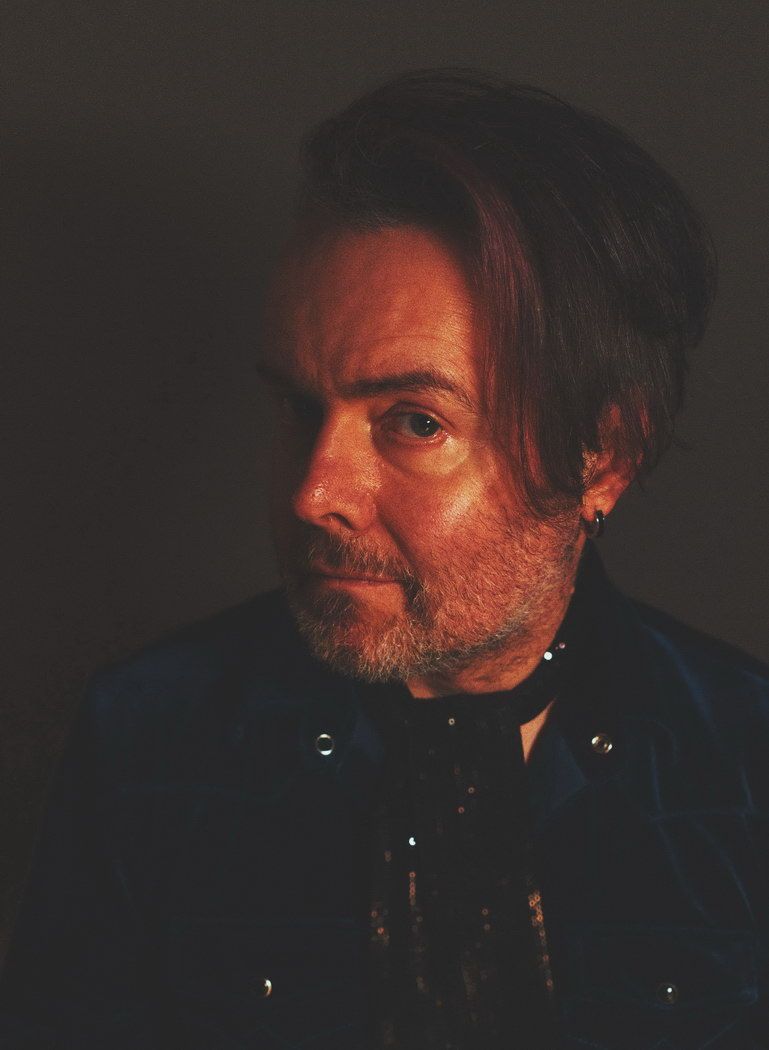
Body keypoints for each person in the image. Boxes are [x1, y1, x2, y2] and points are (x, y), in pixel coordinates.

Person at [1, 69, 767, 1049]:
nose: (313, 492)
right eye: (298, 406)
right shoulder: (148, 739)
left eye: (413, 421)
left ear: (601, 456)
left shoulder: (744, 764)